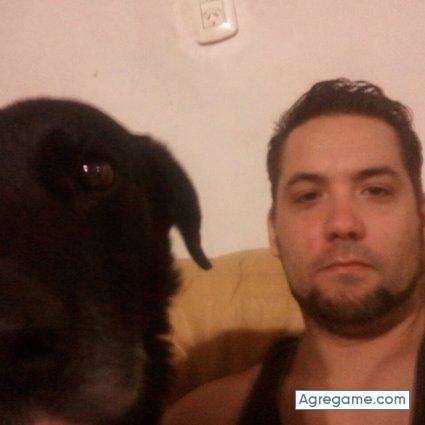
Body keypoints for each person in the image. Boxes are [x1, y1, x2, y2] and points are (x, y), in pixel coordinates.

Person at [162, 79, 425, 425]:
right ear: (274, 233)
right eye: (308, 196)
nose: (342, 223)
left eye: (375, 191)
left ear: (421, 222)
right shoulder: (205, 416)